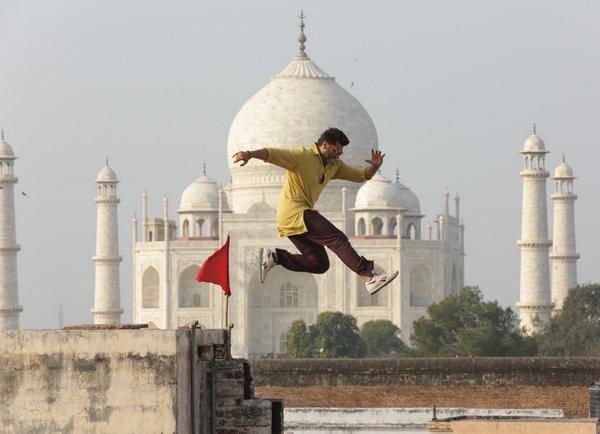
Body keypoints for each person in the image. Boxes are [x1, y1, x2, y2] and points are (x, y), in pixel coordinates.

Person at [232, 127, 398, 295]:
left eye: (340, 152)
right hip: (295, 212)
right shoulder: (302, 156)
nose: (338, 155)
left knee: (319, 264)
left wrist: (375, 167)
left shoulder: (333, 165)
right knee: (337, 238)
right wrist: (249, 154)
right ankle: (368, 276)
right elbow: (271, 154)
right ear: (325, 145)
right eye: (336, 150)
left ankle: (276, 257)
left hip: (295, 221)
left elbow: (359, 175)